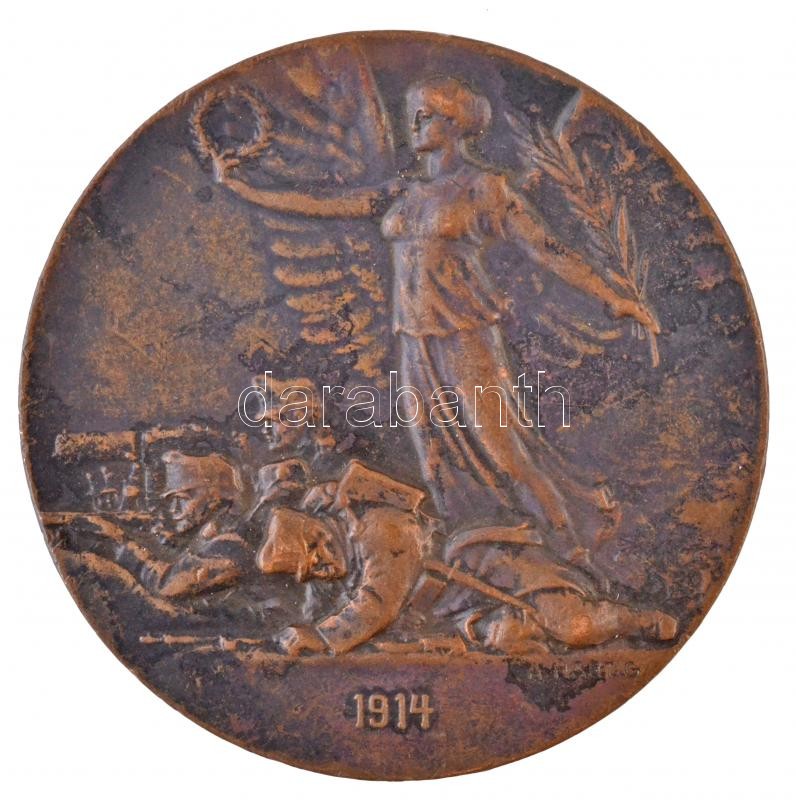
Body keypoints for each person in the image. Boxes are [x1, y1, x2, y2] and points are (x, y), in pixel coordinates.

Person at [210, 76, 659, 572]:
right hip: (413, 338)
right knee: (432, 454)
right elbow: (325, 206)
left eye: (428, 115)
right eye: (415, 114)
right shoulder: (403, 191)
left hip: (465, 333)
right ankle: (469, 554)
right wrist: (244, 189)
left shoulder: (485, 189)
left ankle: (572, 549)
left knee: (502, 448)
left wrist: (613, 298)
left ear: (457, 123)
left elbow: (547, 248)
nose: (416, 123)